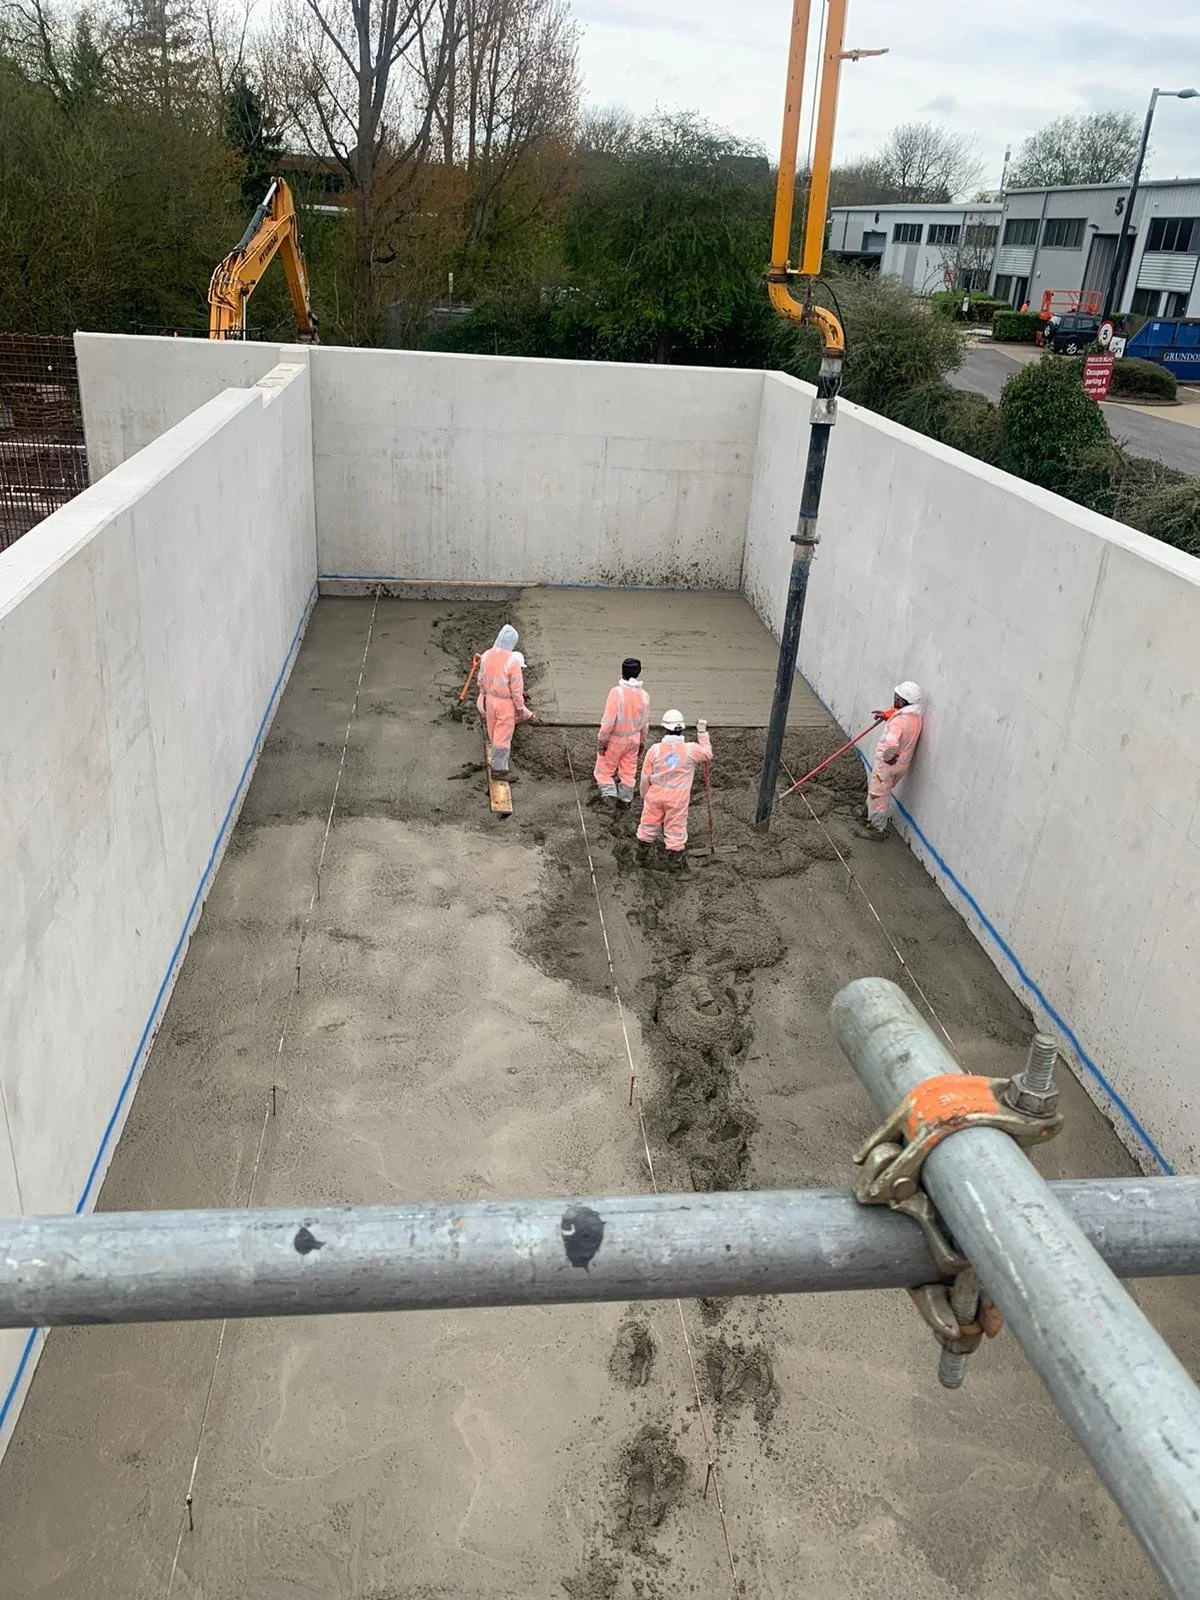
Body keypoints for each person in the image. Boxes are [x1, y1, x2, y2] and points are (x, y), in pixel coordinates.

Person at [636, 710, 712, 868]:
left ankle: (640, 858)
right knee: (675, 831)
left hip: (655, 796)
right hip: (677, 799)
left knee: (647, 827)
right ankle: (677, 868)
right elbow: (707, 754)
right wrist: (702, 732)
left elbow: (645, 777)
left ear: (664, 728)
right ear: (682, 728)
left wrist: (645, 795)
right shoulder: (691, 750)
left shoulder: (655, 750)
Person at [863, 681, 923, 838]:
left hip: (888, 765)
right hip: (901, 765)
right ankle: (867, 813)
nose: (894, 699)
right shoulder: (915, 718)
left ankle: (877, 829)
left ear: (903, 701)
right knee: (881, 791)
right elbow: (901, 715)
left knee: (879, 795)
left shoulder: (898, 722)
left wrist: (888, 756)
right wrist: (887, 715)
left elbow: (891, 742)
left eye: (896, 697)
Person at [476, 624, 534, 776]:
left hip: (489, 700)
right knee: (503, 735)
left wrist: (483, 694)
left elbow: (480, 679)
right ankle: (499, 770)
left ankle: (495, 759)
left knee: (493, 730)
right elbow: (516, 691)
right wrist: (521, 708)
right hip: (505, 703)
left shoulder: (487, 655)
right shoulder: (512, 661)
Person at [594, 658, 650, 807]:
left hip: (615, 739)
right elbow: (645, 722)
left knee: (604, 770)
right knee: (628, 771)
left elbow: (608, 721)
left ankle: (609, 797)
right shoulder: (644, 695)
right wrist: (642, 742)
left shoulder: (616, 693)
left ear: (622, 671)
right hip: (634, 739)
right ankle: (625, 800)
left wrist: (602, 740)